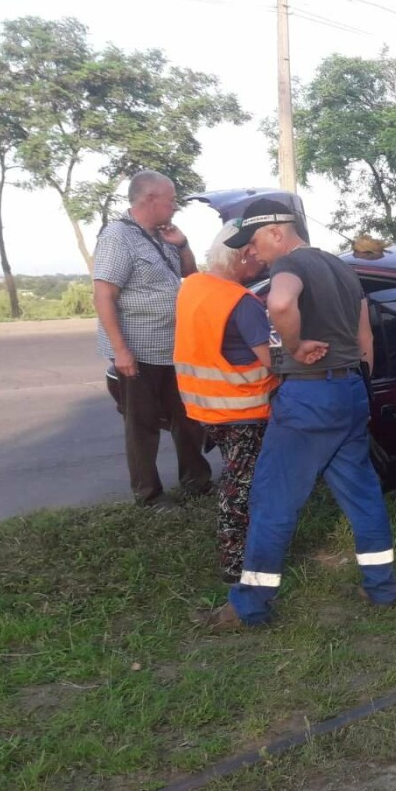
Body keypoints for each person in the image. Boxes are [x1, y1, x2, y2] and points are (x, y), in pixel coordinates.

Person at [197, 198, 396, 630]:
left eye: (253, 243)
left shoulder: (290, 265)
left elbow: (281, 305)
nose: (252, 254)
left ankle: (249, 606)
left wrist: (293, 348)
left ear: (276, 231)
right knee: (363, 496)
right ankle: (381, 587)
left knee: (272, 503)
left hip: (308, 397)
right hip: (349, 391)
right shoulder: (344, 270)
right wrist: (356, 386)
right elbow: (365, 338)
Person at [93, 170, 212, 511]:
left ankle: (196, 482)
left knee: (188, 419)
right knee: (142, 427)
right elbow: (104, 296)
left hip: (173, 349)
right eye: (171, 199)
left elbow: (190, 275)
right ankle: (150, 496)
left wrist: (183, 243)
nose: (174, 206)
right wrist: (121, 351)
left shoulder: (161, 236)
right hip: (139, 352)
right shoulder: (118, 237)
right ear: (149, 199)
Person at [173, 224, 278, 583]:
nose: (262, 264)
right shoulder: (242, 302)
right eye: (257, 256)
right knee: (240, 487)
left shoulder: (192, 287)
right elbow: (272, 360)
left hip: (205, 408)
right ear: (243, 255)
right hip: (244, 411)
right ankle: (237, 567)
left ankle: (239, 556)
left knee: (235, 478)